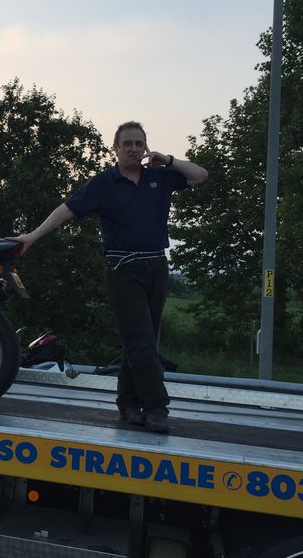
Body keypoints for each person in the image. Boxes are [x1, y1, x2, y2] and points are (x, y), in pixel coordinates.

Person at [11, 121, 208, 433]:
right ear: (115, 148)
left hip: (156, 267)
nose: (133, 149)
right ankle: (156, 407)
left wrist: (168, 159)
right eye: (127, 143)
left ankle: (127, 403)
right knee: (141, 340)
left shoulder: (159, 177)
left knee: (138, 340)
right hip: (122, 268)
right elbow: (67, 210)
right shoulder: (104, 183)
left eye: (139, 144)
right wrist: (33, 236)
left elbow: (200, 175)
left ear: (145, 148)